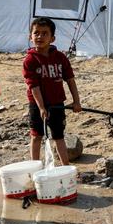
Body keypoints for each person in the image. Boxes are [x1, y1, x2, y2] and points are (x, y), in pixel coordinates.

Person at [23, 17, 82, 166]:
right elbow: (33, 86)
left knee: (58, 135)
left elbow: (70, 80)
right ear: (30, 37)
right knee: (36, 136)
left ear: (52, 38)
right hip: (37, 105)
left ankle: (65, 166)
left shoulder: (60, 57)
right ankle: (34, 166)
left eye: (44, 33)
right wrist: (42, 107)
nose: (40, 37)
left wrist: (76, 101)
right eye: (36, 33)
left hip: (57, 103)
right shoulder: (30, 61)